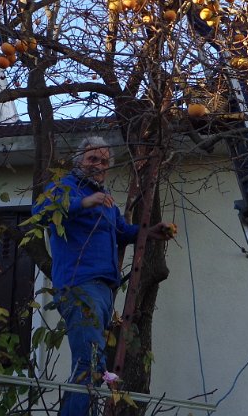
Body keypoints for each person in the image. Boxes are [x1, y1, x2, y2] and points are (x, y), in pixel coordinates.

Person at [34, 137, 176, 416]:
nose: (99, 165)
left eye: (104, 161)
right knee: (90, 365)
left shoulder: (107, 201)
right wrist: (84, 202)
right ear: (79, 161)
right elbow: (41, 212)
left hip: (103, 290)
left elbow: (121, 231)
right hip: (79, 285)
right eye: (92, 159)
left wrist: (149, 232)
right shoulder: (65, 187)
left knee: (93, 366)